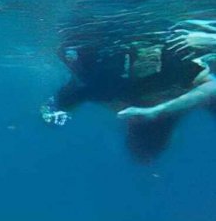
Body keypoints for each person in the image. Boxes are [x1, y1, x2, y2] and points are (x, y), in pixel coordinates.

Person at [43, 20, 216, 162]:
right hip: (157, 17)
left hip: (116, 18)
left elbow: (71, 85)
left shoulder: (104, 91)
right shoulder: (186, 89)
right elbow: (210, 88)